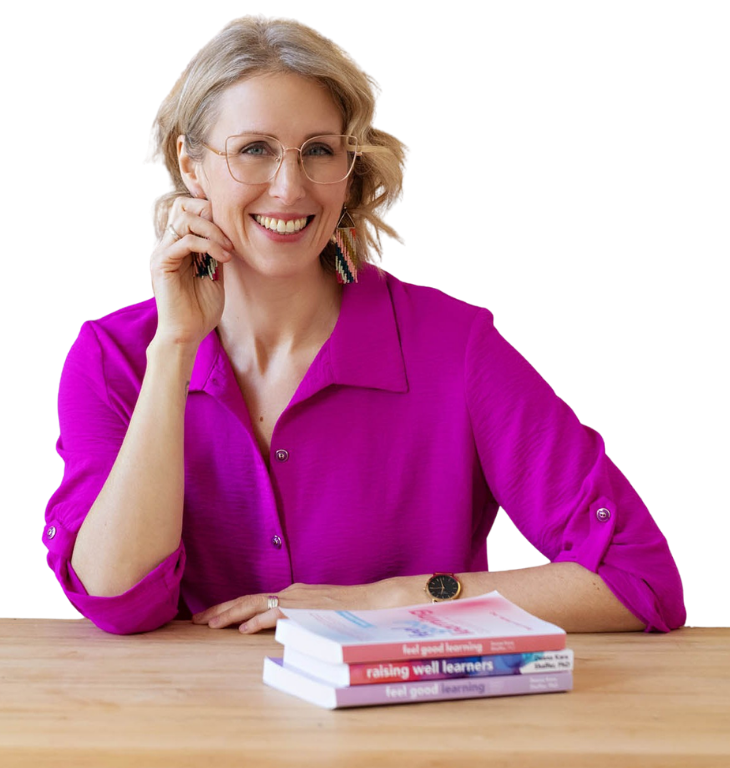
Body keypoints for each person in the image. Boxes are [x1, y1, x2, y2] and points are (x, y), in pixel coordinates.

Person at [39, 14, 687, 636]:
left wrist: (393, 598)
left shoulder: (455, 349)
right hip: (181, 736)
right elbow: (116, 599)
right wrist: (175, 347)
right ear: (191, 162)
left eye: (318, 151)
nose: (290, 189)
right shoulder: (113, 356)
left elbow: (638, 579)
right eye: (255, 150)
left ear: (348, 172)